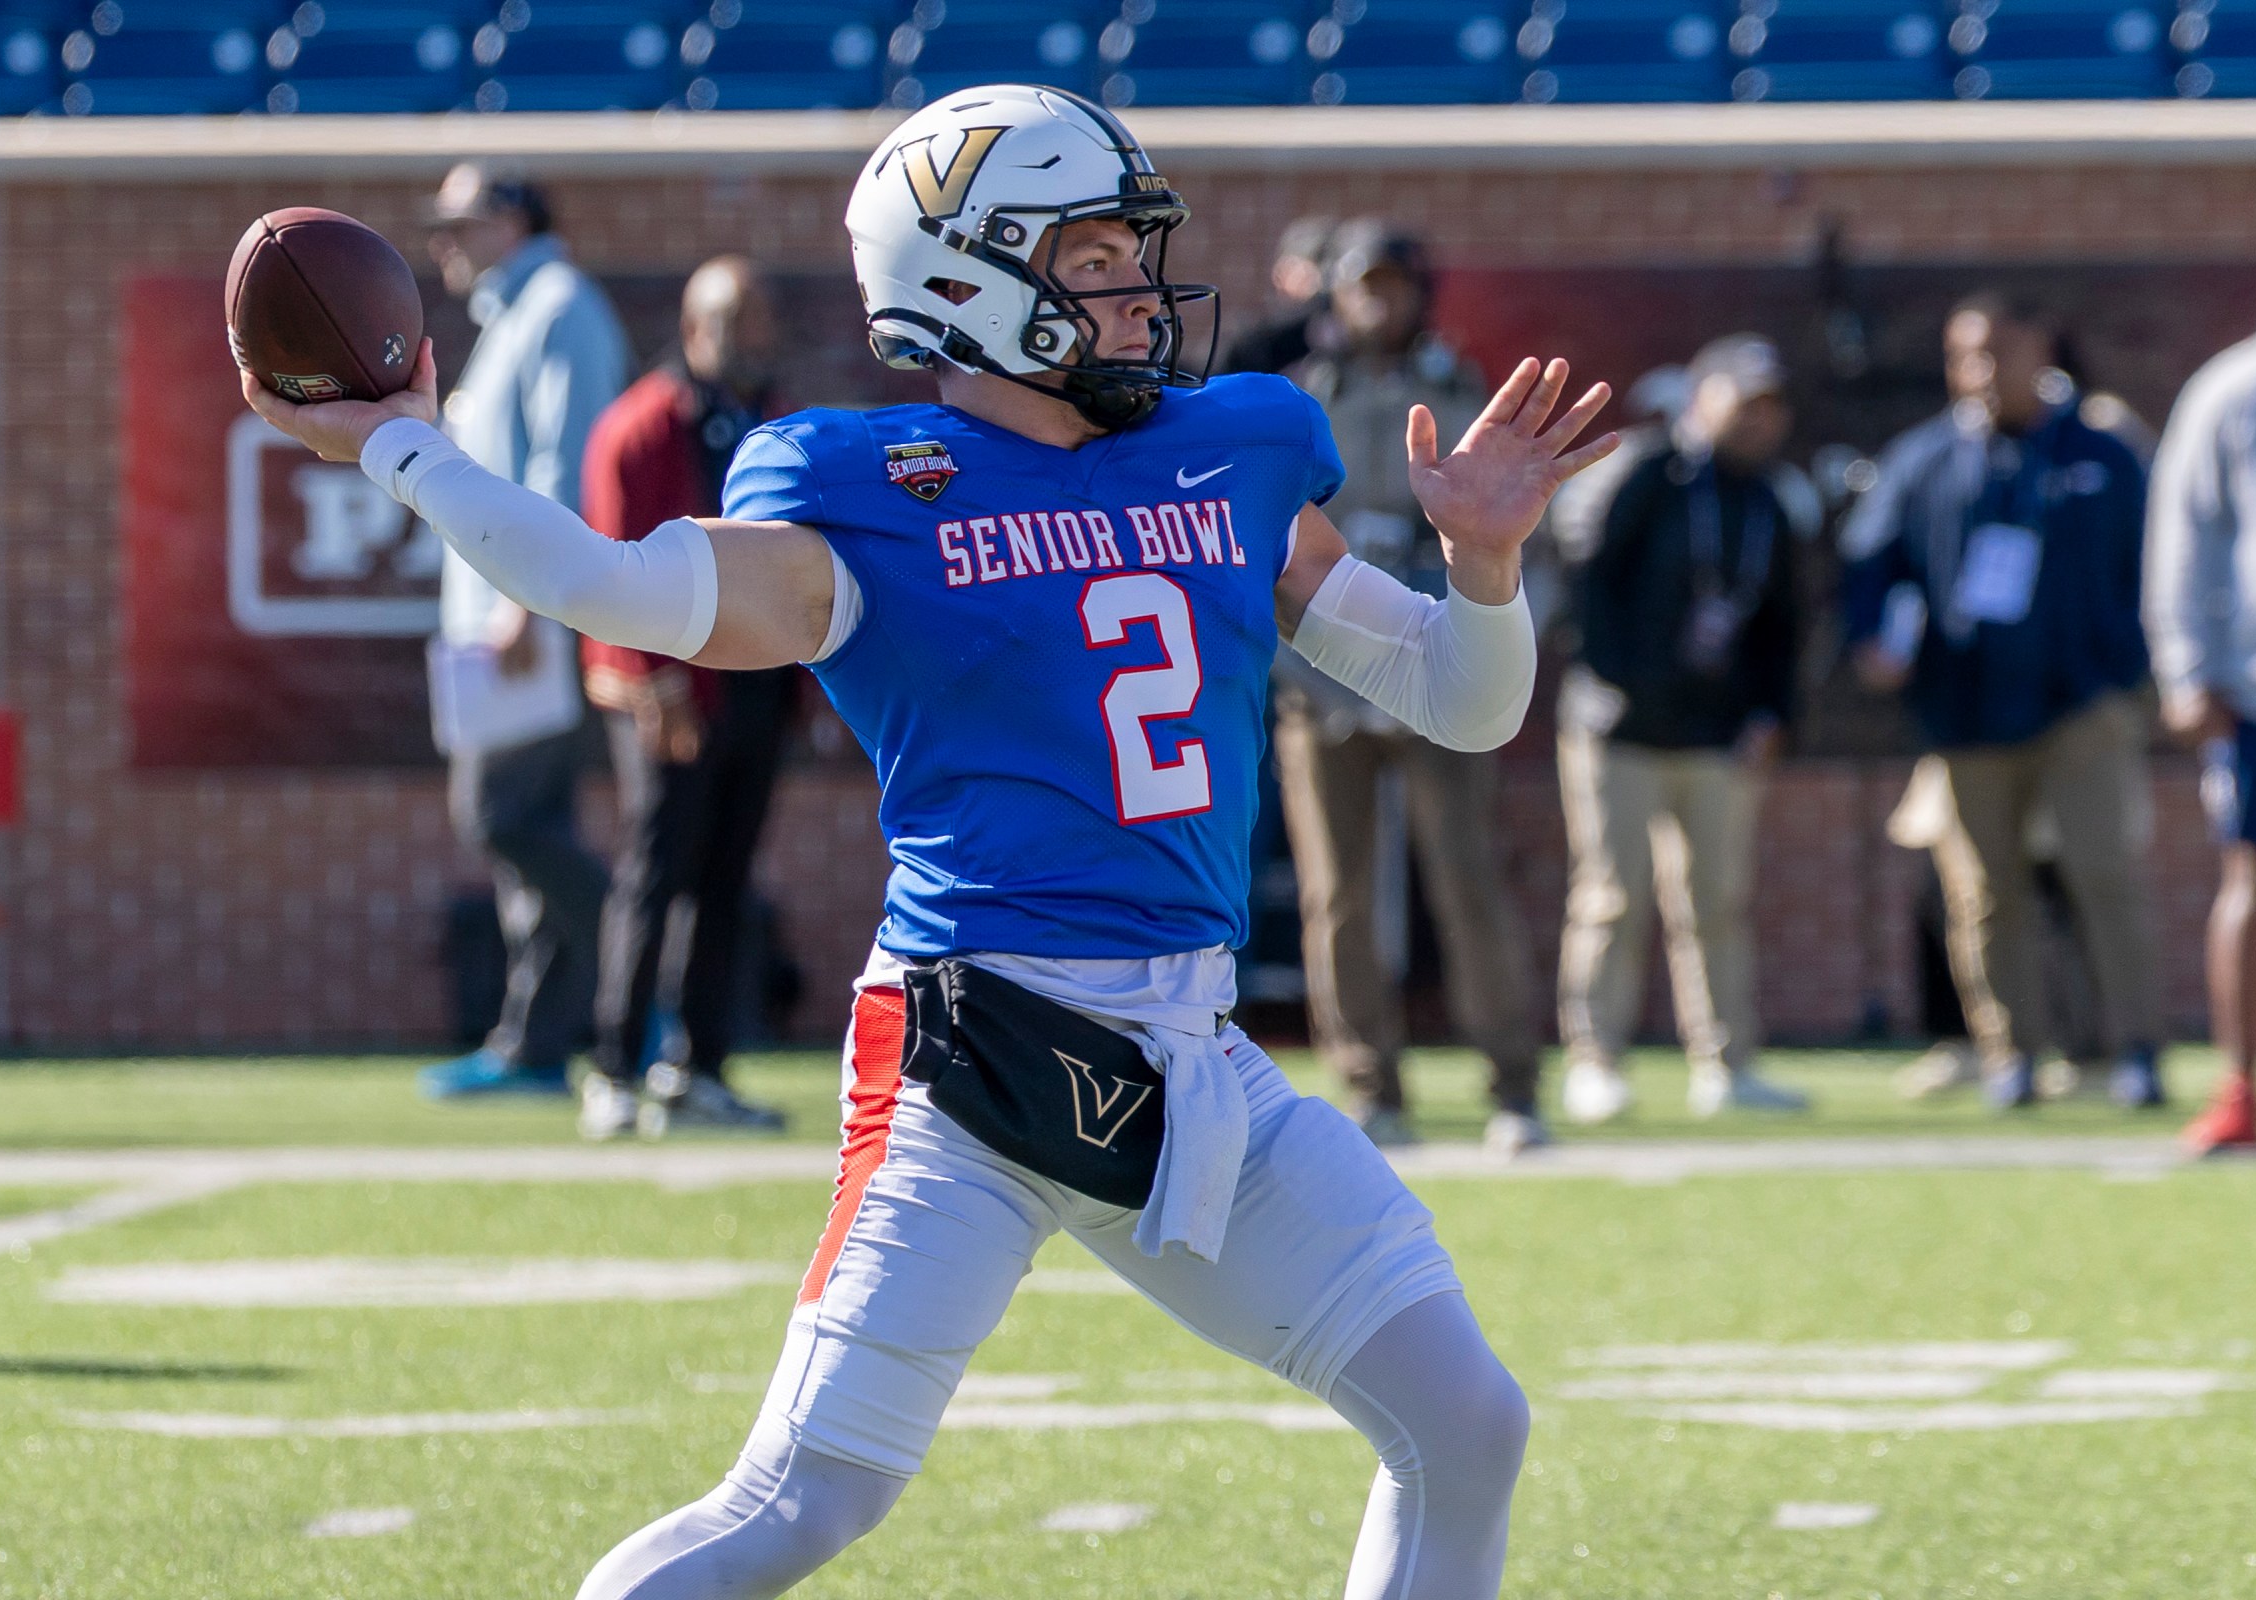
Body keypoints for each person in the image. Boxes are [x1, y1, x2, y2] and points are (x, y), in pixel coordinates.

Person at [244, 84, 1616, 1600]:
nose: (1141, 291)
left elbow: (1459, 701)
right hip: (973, 1061)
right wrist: (403, 448)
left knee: (1467, 1422)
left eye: (1135, 253)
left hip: (1190, 1056)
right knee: (798, 1502)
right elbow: (611, 588)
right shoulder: (868, 489)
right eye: (1096, 259)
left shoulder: (1232, 449)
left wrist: (1483, 570)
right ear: (970, 277)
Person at [1843, 292, 2163, 1112]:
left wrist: (2126, 670)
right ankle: (2010, 1055)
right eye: (1963, 355)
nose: (1980, 372)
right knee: (1986, 894)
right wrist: (1876, 638)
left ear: (2042, 351)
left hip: (2081, 708)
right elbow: (1871, 562)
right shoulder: (1924, 460)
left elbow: (2150, 565)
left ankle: (2133, 1051)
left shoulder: (2101, 452)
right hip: (1966, 714)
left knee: (2104, 876)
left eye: (1998, 352)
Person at [1276, 221, 1546, 1154]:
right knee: (1337, 894)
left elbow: (1510, 535)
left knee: (1467, 880)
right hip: (1321, 677)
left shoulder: (1458, 387)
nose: (1379, 302)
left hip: (1434, 667)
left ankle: (1513, 1087)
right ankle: (1369, 1089)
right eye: (1363, 285)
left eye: (1394, 284)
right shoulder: (1304, 396)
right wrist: (1293, 671)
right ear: (1335, 295)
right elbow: (1266, 547)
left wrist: (1490, 651)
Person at [1552, 334, 1811, 1122]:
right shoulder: (1646, 472)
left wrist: (1774, 712)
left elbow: (1786, 622)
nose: (1760, 422)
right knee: (1611, 896)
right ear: (1703, 398)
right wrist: (1616, 680)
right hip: (1621, 727)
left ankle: (1727, 1064)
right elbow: (1585, 579)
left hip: (1716, 733)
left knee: (1717, 901)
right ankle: (1595, 1060)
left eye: (1773, 408)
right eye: (1745, 403)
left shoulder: (1771, 498)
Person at [415, 163, 630, 1100]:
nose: (443, 243)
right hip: (507, 617)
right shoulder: (517, 316)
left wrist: (530, 603)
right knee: (529, 834)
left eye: (459, 222)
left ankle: (644, 983)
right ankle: (536, 1042)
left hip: (531, 618)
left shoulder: (558, 309)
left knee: (499, 817)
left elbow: (571, 463)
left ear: (512, 219)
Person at [577, 257, 798, 1140]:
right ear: (699, 326)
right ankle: (612, 1064)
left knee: (726, 882)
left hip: (754, 688)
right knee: (653, 873)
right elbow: (608, 563)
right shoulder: (642, 425)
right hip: (671, 690)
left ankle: (698, 1066)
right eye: (744, 321)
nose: (761, 338)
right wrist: (650, 682)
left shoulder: (769, 423)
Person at [2144, 320, 2256, 1153]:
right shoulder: (2233, 388)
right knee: (2251, 883)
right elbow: (2184, 532)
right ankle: (2240, 1088)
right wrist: (2186, 668)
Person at [1219, 213, 1334, 376]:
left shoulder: (1347, 331)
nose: (1324, 278)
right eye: (1316, 263)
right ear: (1281, 273)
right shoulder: (1251, 334)